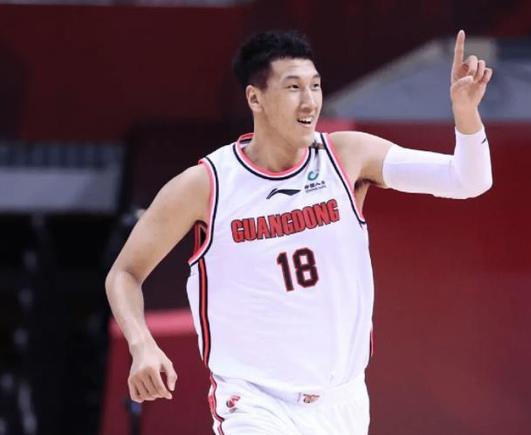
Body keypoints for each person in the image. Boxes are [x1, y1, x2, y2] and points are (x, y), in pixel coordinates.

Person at [105, 29, 493, 435]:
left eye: (315, 86)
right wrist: (141, 344)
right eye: (293, 88)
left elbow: (467, 180)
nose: (310, 101)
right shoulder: (207, 184)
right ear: (255, 98)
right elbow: (124, 274)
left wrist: (466, 114)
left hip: (343, 402)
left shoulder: (348, 156)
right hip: (255, 403)